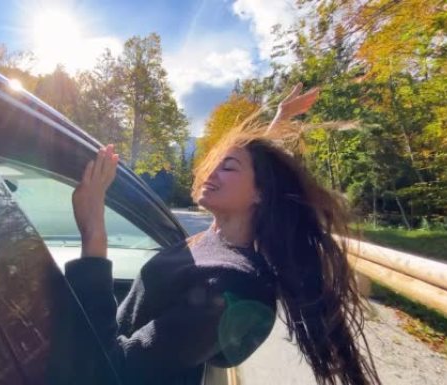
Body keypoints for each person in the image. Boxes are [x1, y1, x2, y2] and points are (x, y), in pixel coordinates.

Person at [64, 84, 381, 385]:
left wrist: (94, 232)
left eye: (226, 167)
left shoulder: (236, 285)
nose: (211, 172)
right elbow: (256, 169)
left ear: (261, 193)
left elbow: (111, 374)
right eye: (215, 162)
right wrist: (279, 120)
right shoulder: (215, 237)